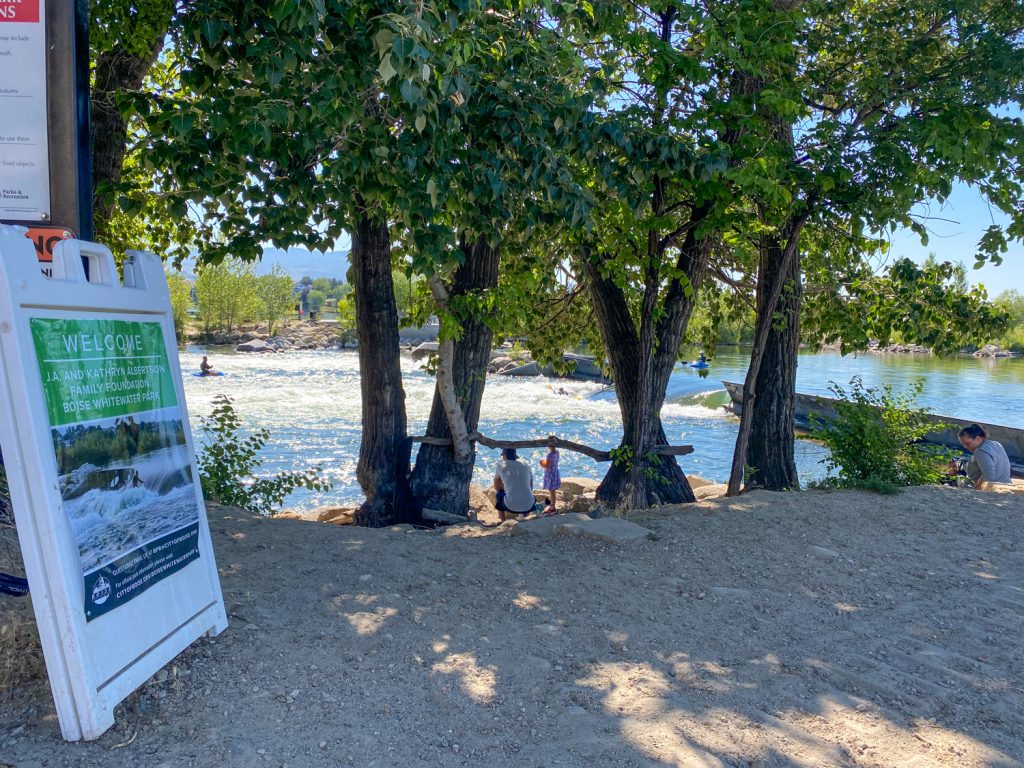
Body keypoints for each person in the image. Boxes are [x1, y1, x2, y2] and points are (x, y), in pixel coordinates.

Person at [493, 448, 534, 522]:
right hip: (528, 506)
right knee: (528, 493)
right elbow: (530, 487)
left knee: (498, 493)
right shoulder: (526, 465)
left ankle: (503, 521)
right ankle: (523, 517)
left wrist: (506, 486)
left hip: (510, 506)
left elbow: (496, 487)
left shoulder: (500, 465)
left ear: (504, 456)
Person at [539, 438, 561, 515]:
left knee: (551, 491)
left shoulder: (549, 454)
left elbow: (547, 465)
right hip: (555, 472)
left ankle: (552, 508)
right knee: (553, 491)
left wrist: (541, 463)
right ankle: (552, 506)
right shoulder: (557, 452)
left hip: (550, 474)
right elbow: (551, 463)